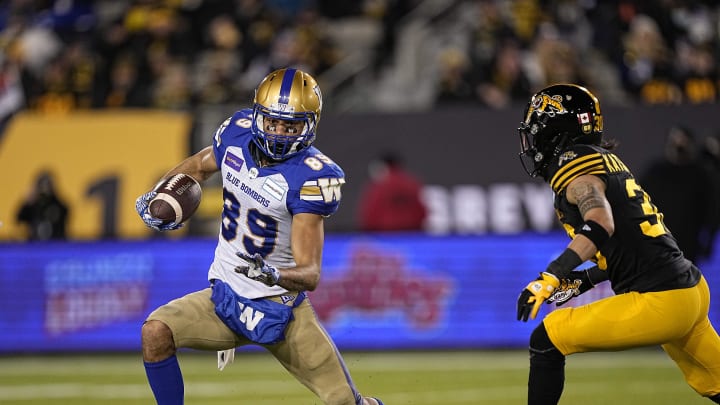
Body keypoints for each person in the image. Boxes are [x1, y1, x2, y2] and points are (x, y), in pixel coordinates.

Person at [135, 68, 385, 405]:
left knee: (343, 402)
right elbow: (197, 166)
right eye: (273, 122)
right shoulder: (236, 134)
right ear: (258, 116)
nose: (280, 132)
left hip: (280, 309)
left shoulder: (310, 178)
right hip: (224, 298)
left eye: (291, 125)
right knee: (155, 332)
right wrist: (160, 194)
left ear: (309, 125)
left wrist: (274, 274)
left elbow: (310, 273)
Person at [514, 84, 720, 404]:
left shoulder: (574, 167)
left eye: (537, 131)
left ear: (556, 131)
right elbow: (632, 243)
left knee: (548, 337)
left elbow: (600, 223)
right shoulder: (604, 159)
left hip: (661, 300)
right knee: (715, 383)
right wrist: (585, 278)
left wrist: (551, 275)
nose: (532, 142)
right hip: (690, 289)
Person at [639, 125, 719, 263]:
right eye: (675, 141)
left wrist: (708, 241)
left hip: (688, 245)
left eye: (683, 141)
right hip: (658, 243)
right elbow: (638, 205)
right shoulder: (655, 173)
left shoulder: (700, 175)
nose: (679, 145)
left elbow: (712, 212)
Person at [357, 152, 427, 232]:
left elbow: (371, 213)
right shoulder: (412, 183)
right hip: (411, 234)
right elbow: (421, 211)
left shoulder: (380, 185)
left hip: (385, 235)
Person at [16, 170, 69, 241]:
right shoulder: (32, 205)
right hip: (34, 244)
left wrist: (55, 196)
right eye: (42, 186)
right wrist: (28, 202)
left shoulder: (57, 204)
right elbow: (19, 219)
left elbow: (66, 213)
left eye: (48, 186)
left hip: (55, 243)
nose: (45, 189)